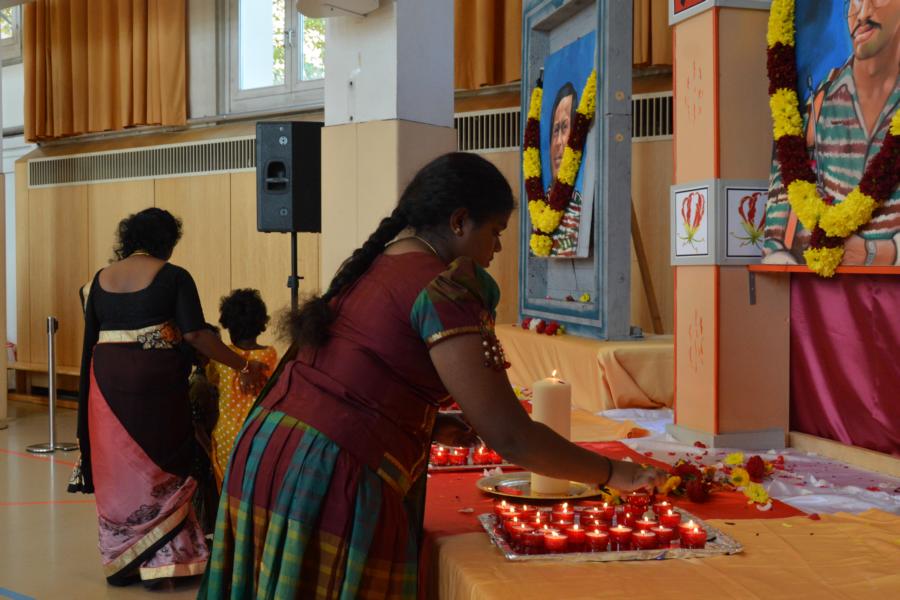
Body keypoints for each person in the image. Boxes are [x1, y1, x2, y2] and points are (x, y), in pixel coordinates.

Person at [198, 153, 667, 598]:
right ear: (459, 221)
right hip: (329, 470)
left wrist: (429, 424)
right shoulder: (444, 288)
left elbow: (361, 372)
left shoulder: (382, 261)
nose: (497, 247)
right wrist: (615, 473)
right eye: (495, 231)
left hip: (275, 446)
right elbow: (511, 436)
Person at [70, 207, 269, 587]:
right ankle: (166, 561)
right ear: (166, 242)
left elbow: (91, 341)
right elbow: (195, 335)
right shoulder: (174, 276)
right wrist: (243, 364)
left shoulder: (98, 281)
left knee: (120, 469)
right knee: (164, 464)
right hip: (156, 383)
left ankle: (123, 560)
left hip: (106, 382)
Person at [764, 0, 900, 265]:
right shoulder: (820, 102)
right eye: (855, 1)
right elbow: (783, 192)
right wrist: (778, 252)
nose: (863, 13)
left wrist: (878, 252)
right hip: (820, 285)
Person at [207, 288, 279, 490]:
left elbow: (212, 379)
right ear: (261, 323)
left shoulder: (221, 358)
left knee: (227, 493)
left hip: (226, 439)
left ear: (228, 325)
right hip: (260, 438)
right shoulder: (270, 356)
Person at [547, 82, 585, 257]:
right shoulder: (540, 206)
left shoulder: (582, 208)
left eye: (564, 127)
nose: (558, 142)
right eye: (555, 130)